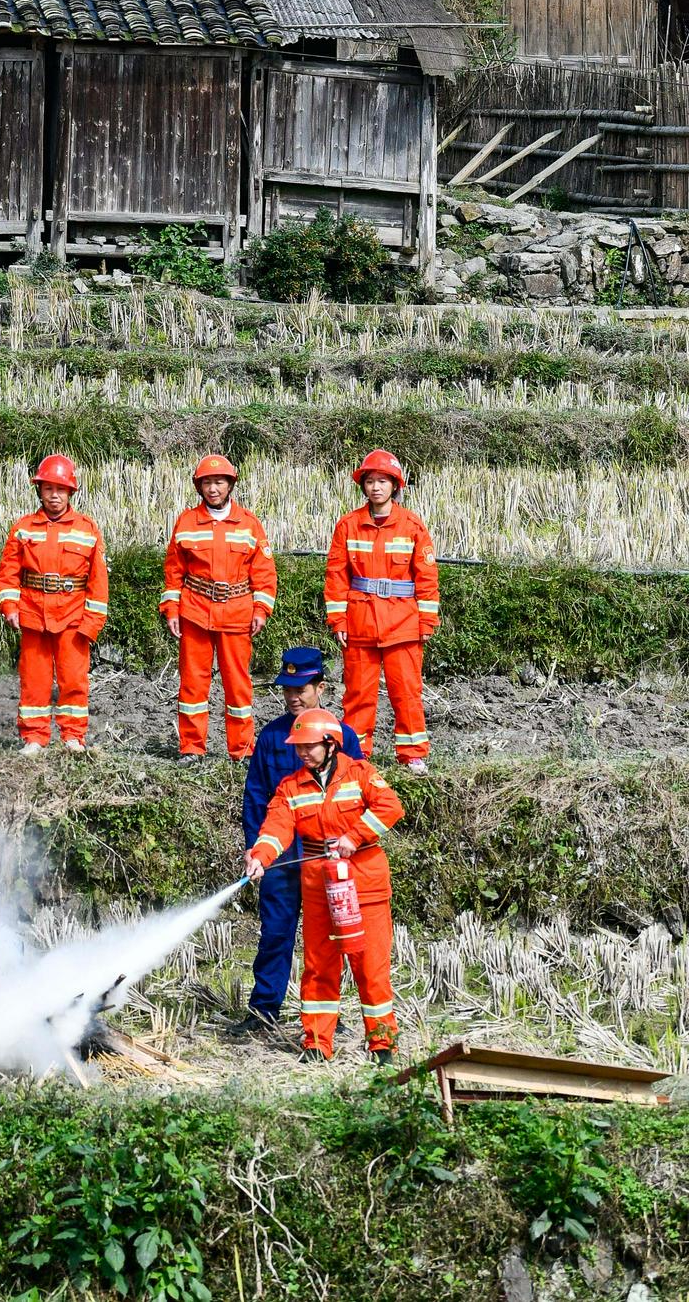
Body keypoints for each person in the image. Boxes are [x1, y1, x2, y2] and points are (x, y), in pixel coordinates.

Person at [244, 708, 404, 1063]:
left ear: (330, 744)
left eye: (309, 746)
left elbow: (390, 807)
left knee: (370, 966)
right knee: (319, 966)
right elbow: (276, 827)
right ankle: (317, 1042)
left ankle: (383, 1045)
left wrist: (354, 836)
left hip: (364, 883)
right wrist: (261, 857)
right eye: (299, 746)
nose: (302, 753)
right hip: (318, 884)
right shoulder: (291, 786)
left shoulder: (360, 774)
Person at [241, 647, 366, 1032]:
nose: (293, 696)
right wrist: (259, 852)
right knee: (275, 933)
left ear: (321, 688)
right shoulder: (272, 737)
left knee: (328, 940)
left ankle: (327, 1016)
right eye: (287, 689)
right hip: (280, 860)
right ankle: (264, 1010)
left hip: (326, 862)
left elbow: (358, 794)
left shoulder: (341, 736)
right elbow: (257, 798)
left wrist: (348, 844)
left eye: (302, 688)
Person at [325, 449, 439, 769]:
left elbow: (427, 577)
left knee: (407, 693)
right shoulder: (347, 526)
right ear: (363, 485)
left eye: (382, 481)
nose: (375, 487)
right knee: (358, 695)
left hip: (403, 624)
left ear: (395, 485)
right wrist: (338, 620)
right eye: (370, 481)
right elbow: (336, 576)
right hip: (360, 623)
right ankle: (355, 758)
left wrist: (427, 621)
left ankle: (413, 755)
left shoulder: (412, 526)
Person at [161, 452, 276, 760]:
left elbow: (264, 574)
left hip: (237, 615)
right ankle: (191, 748)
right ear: (199, 487)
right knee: (192, 685)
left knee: (238, 686)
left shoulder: (250, 524)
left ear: (230, 485)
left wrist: (261, 610)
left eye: (219, 482)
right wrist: (171, 610)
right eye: (207, 483)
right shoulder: (186, 522)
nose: (213, 489)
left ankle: (242, 750)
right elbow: (173, 572)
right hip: (195, 613)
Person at [0, 453, 108, 753]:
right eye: (48, 488)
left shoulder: (87, 529)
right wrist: (9, 607)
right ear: (39, 491)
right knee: (34, 681)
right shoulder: (23, 528)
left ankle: (73, 737)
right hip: (33, 616)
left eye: (60, 489)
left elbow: (98, 582)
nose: (54, 495)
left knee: (74, 680)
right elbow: (8, 573)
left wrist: (92, 623)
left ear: (71, 491)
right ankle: (34, 737)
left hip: (72, 618)